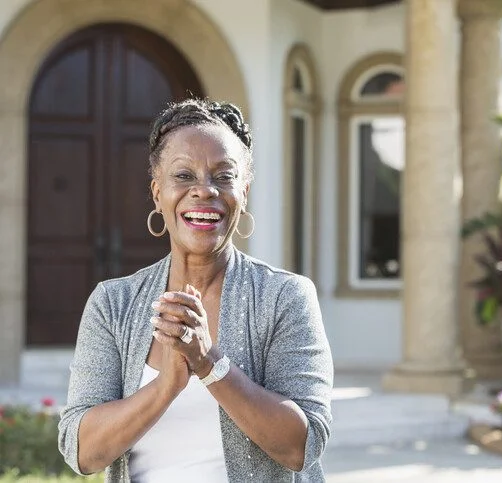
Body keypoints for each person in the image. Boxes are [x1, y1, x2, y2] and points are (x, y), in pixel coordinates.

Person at [58, 98, 334, 482]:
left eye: (224, 176)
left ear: (244, 192)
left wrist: (208, 363)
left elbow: (302, 446)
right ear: (158, 193)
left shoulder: (284, 297)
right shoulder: (114, 303)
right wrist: (166, 386)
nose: (204, 191)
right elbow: (83, 452)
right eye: (184, 176)